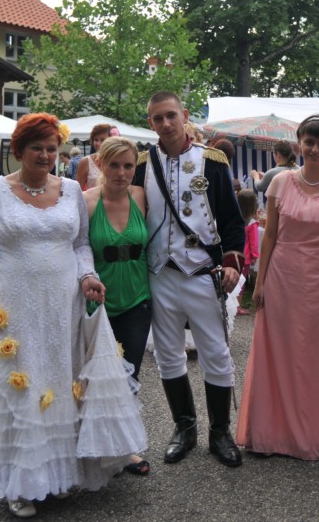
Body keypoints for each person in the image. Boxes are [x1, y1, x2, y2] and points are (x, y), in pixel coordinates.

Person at [0, 113, 146, 518]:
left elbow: (80, 244)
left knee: (61, 385)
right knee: (23, 389)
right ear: (19, 150)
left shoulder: (70, 190)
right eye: (37, 148)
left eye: (51, 148)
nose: (45, 155)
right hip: (13, 303)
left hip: (65, 302)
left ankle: (58, 476)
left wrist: (88, 276)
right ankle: (21, 485)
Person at [132, 91, 245, 468]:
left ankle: (220, 432)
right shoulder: (141, 163)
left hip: (202, 271)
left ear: (184, 116)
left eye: (171, 115)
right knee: (167, 354)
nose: (166, 123)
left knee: (215, 353)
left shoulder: (211, 161)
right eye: (158, 118)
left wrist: (232, 261)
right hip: (159, 271)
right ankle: (184, 429)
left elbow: (231, 220)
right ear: (151, 123)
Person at [236, 114, 319, 460]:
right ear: (299, 143)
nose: (315, 149)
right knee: (278, 352)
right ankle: (271, 434)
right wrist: (260, 281)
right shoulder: (281, 182)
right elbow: (270, 234)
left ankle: (315, 436)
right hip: (283, 275)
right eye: (309, 142)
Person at [83, 135, 153, 477]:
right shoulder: (85, 202)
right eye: (114, 165)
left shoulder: (141, 196)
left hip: (137, 300)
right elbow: (69, 247)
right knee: (97, 378)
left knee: (129, 375)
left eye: (128, 166)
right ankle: (92, 445)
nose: (122, 173)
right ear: (100, 164)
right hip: (99, 305)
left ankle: (124, 449)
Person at [236, 189, 260, 316]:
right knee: (241, 282)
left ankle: (228, 303)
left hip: (233, 254)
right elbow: (254, 243)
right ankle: (237, 307)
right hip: (245, 258)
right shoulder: (252, 224)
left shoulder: (234, 218)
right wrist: (255, 256)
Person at [77, 123, 115, 191]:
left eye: (102, 140)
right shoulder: (86, 161)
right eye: (96, 140)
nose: (98, 143)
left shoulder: (118, 161)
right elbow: (77, 191)